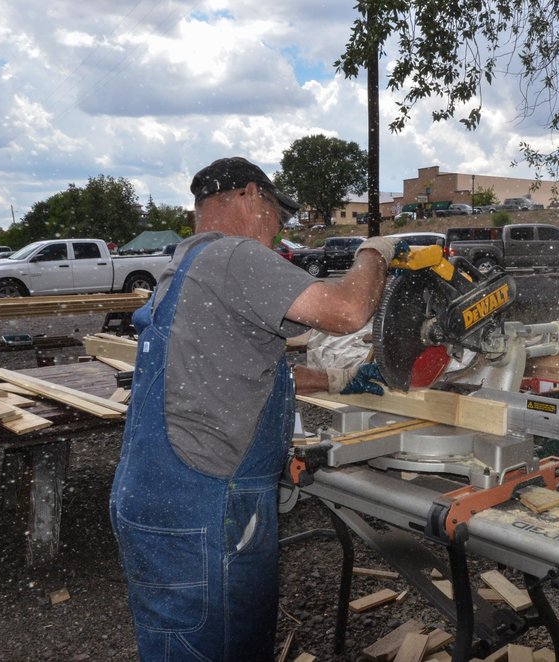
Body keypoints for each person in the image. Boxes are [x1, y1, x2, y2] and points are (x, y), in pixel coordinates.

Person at [109, 156, 404, 660]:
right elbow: (348, 311)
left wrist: (338, 378)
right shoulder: (234, 256)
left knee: (196, 644)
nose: (278, 231)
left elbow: (238, 366)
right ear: (249, 196)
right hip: (205, 503)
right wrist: (373, 254)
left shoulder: (183, 266)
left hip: (161, 495)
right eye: (277, 216)